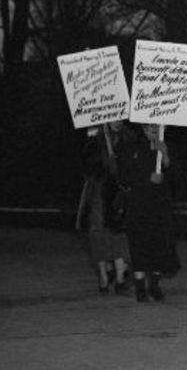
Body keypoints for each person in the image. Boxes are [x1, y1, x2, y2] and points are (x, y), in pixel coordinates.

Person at [114, 121, 180, 302]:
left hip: (160, 206)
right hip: (138, 205)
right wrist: (147, 179)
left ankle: (155, 285)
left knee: (158, 243)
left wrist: (164, 155)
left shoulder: (167, 146)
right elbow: (124, 176)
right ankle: (140, 285)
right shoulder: (132, 147)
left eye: (157, 127)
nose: (153, 130)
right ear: (142, 128)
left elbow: (176, 176)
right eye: (149, 127)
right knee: (139, 244)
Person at [81, 124, 130, 295]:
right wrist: (103, 164)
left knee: (119, 233)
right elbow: (87, 166)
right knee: (98, 232)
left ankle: (120, 278)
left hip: (119, 195)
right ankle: (103, 276)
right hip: (100, 193)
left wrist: (119, 167)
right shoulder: (95, 139)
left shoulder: (128, 137)